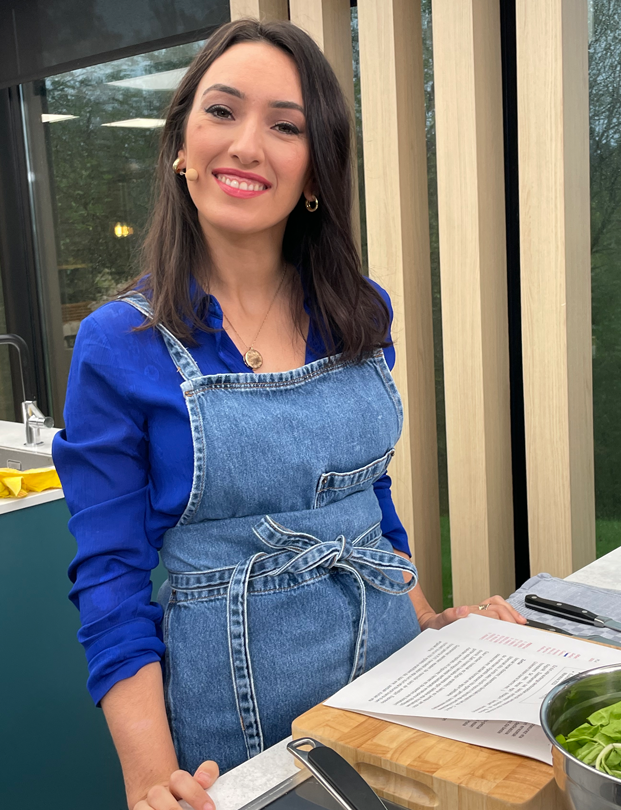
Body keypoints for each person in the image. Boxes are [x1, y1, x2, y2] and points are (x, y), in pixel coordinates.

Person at [53, 18, 526, 810]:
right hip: (235, 724)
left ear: (314, 171)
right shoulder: (120, 344)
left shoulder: (359, 309)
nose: (246, 144)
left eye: (286, 126)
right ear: (180, 145)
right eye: (222, 112)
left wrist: (432, 623)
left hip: (395, 684)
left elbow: (365, 500)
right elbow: (110, 577)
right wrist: (149, 779)